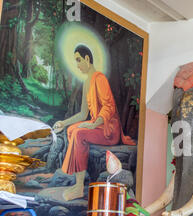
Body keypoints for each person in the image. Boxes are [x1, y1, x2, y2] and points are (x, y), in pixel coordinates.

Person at [53, 45, 135, 201]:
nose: (77, 65)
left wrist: (93, 124)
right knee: (71, 130)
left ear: (87, 59)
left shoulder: (100, 78)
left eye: (78, 60)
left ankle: (78, 187)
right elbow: (83, 114)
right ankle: (78, 178)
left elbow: (109, 106)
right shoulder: (86, 83)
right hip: (95, 124)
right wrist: (63, 123)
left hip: (108, 129)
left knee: (79, 133)